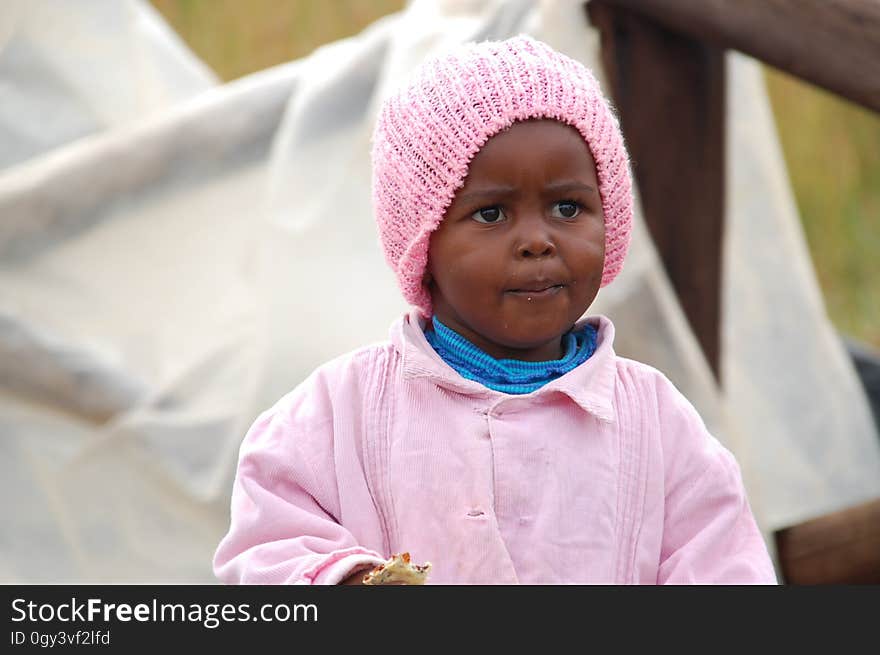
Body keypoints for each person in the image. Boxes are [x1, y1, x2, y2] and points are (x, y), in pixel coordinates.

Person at [213, 35, 777, 585]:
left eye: (566, 206)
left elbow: (724, 564)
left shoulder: (659, 425)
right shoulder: (337, 414)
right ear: (423, 242)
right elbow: (266, 548)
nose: (537, 241)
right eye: (491, 214)